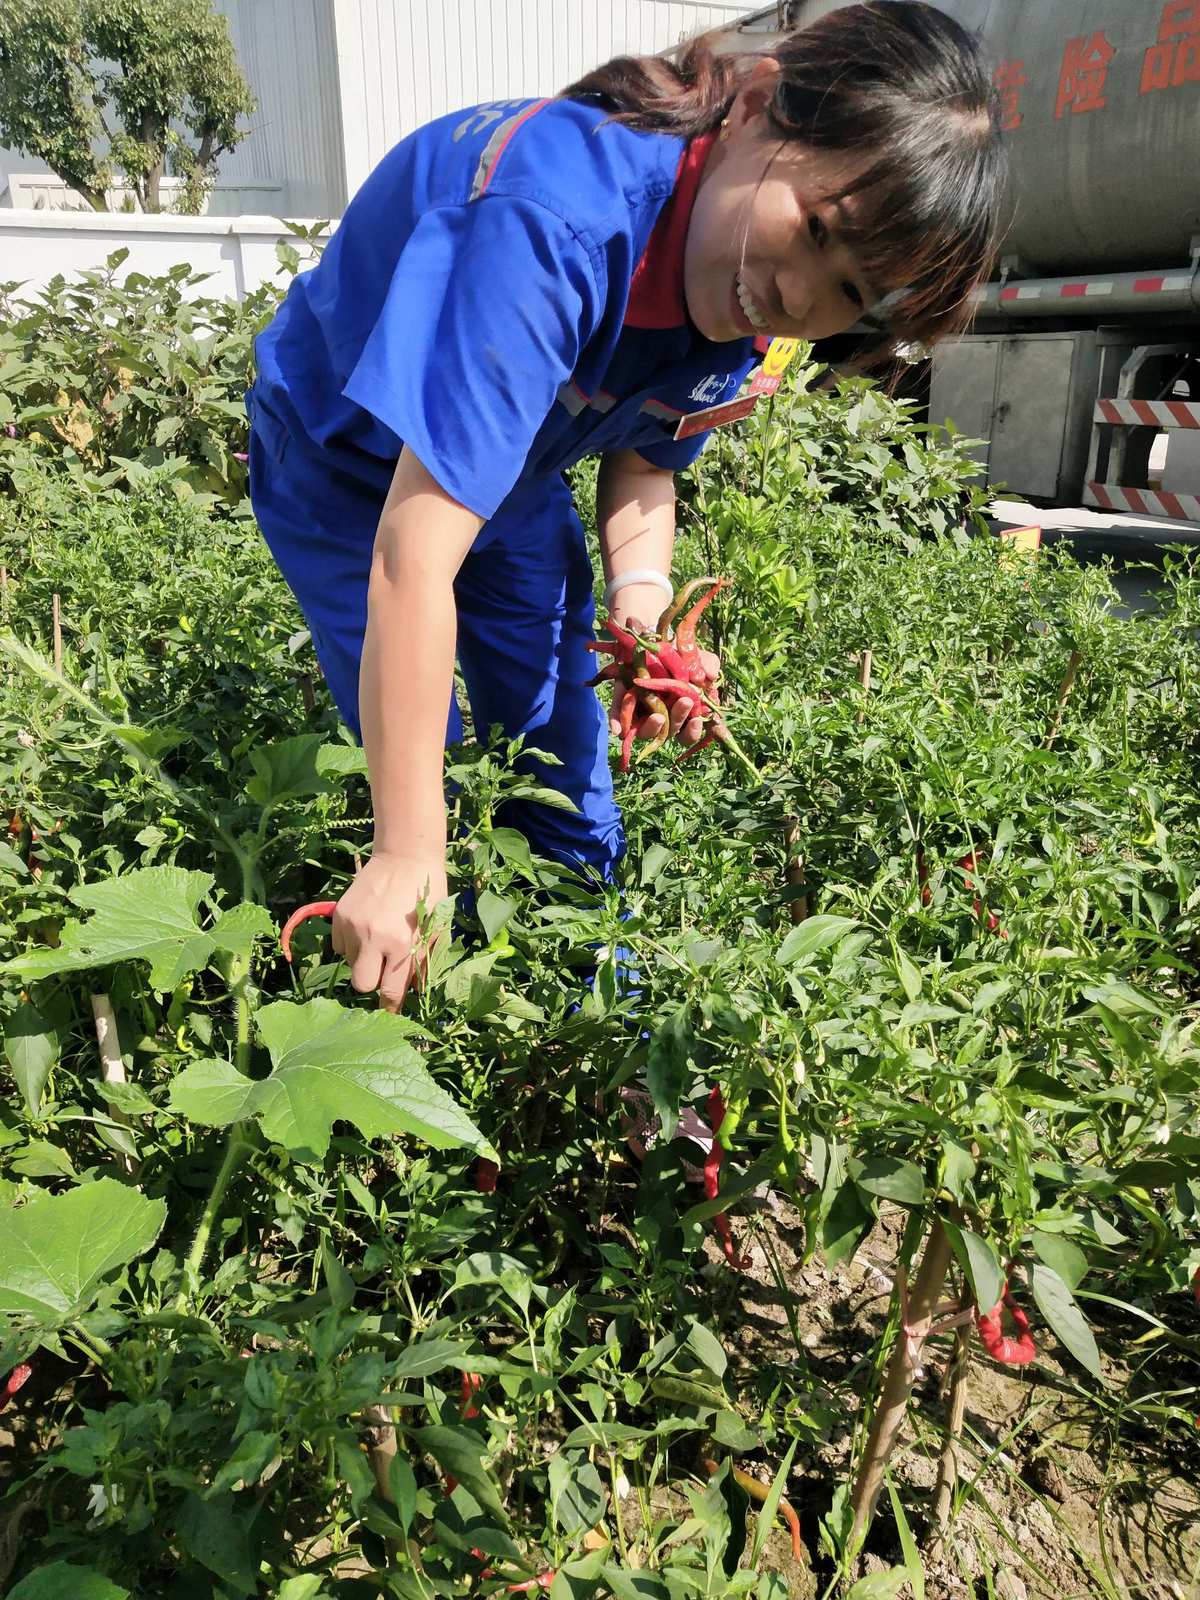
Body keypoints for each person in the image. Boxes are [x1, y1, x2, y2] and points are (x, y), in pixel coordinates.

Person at [247, 0, 1007, 1011]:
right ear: (757, 105)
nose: (799, 296)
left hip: (506, 471)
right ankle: (426, 976)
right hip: (340, 458)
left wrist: (644, 620)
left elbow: (648, 460)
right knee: (426, 768)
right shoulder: (558, 221)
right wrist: (406, 850)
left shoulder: (740, 302)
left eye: (849, 291)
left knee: (558, 739)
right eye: (817, 229)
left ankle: (594, 988)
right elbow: (413, 554)